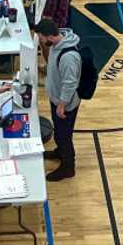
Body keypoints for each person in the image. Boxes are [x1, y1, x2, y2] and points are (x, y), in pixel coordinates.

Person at [37, 19, 81, 182]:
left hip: (66, 104)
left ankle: (68, 167)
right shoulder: (56, 44)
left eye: (41, 38)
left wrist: (62, 104)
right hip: (57, 98)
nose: (41, 42)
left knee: (64, 136)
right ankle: (60, 152)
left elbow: (70, 83)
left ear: (49, 36)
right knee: (59, 133)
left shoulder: (68, 56)